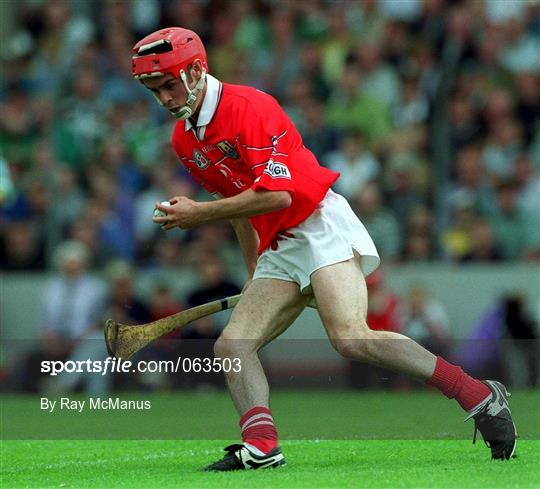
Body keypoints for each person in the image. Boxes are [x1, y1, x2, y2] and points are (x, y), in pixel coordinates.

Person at [131, 27, 516, 469]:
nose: (163, 98)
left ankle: (480, 396)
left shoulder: (249, 107)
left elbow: (279, 195)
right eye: (153, 90)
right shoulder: (184, 140)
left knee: (350, 338)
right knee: (232, 347)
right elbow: (235, 207)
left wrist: (195, 214)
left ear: (196, 69)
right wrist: (255, 268)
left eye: (167, 84)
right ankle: (261, 447)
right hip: (279, 244)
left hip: (317, 222)